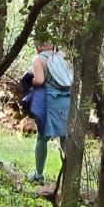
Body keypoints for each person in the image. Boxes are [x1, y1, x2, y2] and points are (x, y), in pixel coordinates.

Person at [25, 34, 72, 184]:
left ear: (38, 46)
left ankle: (38, 176)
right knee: (66, 138)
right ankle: (71, 177)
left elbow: (39, 80)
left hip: (51, 101)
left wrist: (28, 80)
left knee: (42, 137)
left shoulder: (39, 60)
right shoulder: (62, 56)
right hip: (67, 100)